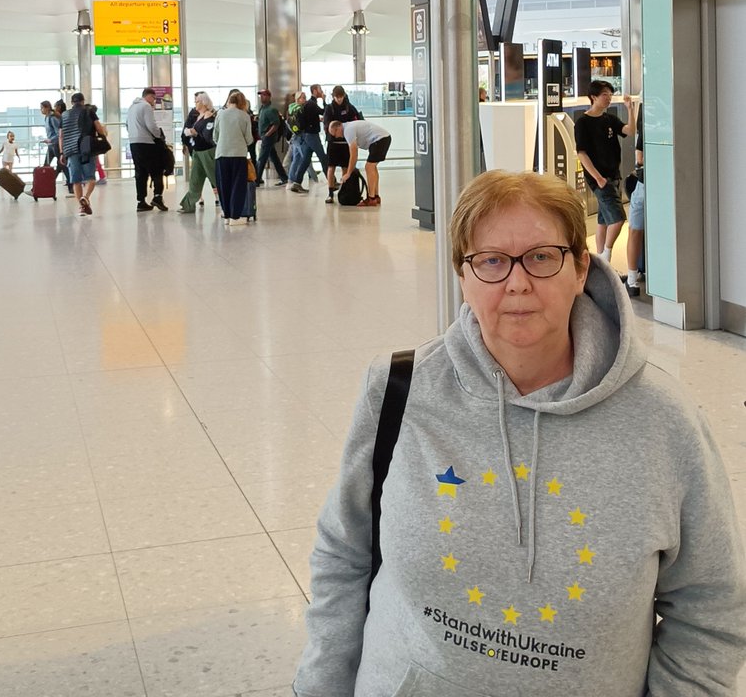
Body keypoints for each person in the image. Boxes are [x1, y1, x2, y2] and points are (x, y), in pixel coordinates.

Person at [293, 170, 746, 697]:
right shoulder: (398, 390)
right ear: (462, 276)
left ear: (580, 268)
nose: (516, 282)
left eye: (541, 256)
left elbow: (711, 608)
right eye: (490, 261)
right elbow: (344, 554)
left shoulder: (662, 419)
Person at [574, 80, 632, 263]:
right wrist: (597, 177)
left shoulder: (609, 119)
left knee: (603, 221)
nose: (608, 98)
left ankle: (600, 263)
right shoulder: (583, 123)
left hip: (613, 174)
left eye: (610, 95)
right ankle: (606, 254)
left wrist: (631, 109)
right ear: (594, 97)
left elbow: (629, 130)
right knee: (618, 219)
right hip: (600, 179)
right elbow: (581, 153)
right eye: (605, 95)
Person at [59, 91, 105, 216]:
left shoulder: (64, 115)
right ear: (83, 101)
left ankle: (81, 207)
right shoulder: (89, 111)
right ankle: (86, 197)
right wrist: (103, 135)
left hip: (70, 150)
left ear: (72, 102)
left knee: (76, 181)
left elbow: (61, 136)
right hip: (86, 148)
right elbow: (98, 127)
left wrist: (62, 152)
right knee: (91, 178)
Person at [213, 90, 254, 226]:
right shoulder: (244, 116)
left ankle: (226, 214)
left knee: (223, 185)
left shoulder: (220, 114)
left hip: (222, 153)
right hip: (239, 154)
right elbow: (249, 139)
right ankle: (235, 216)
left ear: (228, 101)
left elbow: (215, 136)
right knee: (238, 185)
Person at [127, 87, 167, 212]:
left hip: (134, 143)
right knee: (156, 170)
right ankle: (157, 196)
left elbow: (127, 124)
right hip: (147, 143)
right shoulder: (146, 106)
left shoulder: (132, 107)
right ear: (149, 96)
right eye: (154, 99)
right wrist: (158, 136)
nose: (154, 101)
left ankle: (141, 201)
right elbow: (151, 125)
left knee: (140, 173)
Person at [178, 92, 218, 214]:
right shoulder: (197, 115)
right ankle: (188, 204)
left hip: (207, 151)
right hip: (197, 151)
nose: (195, 103)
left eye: (197, 101)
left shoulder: (208, 115)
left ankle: (229, 202)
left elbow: (208, 132)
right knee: (195, 179)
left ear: (204, 102)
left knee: (215, 178)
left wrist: (194, 132)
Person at [289, 83, 329, 192]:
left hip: (306, 135)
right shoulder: (311, 104)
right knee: (323, 157)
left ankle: (296, 183)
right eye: (320, 89)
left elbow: (311, 117)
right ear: (315, 91)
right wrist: (324, 100)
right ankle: (332, 181)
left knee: (305, 159)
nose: (321, 91)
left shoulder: (309, 104)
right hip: (312, 135)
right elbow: (325, 112)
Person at [344, 117, 391, 207]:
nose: (335, 136)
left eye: (334, 133)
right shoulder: (350, 126)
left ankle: (371, 198)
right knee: (372, 167)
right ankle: (376, 196)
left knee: (369, 167)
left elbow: (354, 154)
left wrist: (348, 173)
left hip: (380, 140)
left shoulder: (348, 130)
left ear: (337, 128)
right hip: (383, 138)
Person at [625, 105, 645, 297]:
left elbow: (639, 159)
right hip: (656, 185)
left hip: (643, 183)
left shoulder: (646, 118)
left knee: (634, 231)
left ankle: (632, 279)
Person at [255, 89, 288, 186]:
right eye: (261, 95)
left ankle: (256, 180)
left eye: (264, 95)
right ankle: (284, 177)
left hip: (268, 138)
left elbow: (276, 124)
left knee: (261, 159)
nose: (262, 97)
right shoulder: (262, 109)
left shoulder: (271, 109)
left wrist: (267, 134)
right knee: (274, 158)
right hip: (265, 137)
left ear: (269, 96)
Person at [323, 119, 352, 204]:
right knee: (331, 167)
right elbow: (327, 124)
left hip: (345, 143)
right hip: (332, 144)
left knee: (345, 168)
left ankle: (343, 191)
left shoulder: (348, 107)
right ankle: (330, 193)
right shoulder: (330, 108)